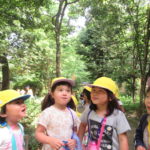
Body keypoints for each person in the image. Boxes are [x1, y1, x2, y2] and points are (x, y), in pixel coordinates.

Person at [78, 77, 131, 150]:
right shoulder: (89, 110)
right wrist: (78, 145)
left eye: (100, 91)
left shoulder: (118, 115)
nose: (95, 94)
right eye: (93, 90)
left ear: (110, 97)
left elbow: (123, 139)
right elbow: (82, 125)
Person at [35, 77, 81, 150]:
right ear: (52, 94)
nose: (65, 93)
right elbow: (38, 133)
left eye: (68, 91)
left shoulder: (72, 113)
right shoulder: (47, 113)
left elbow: (75, 131)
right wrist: (50, 140)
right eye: (60, 90)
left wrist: (74, 140)